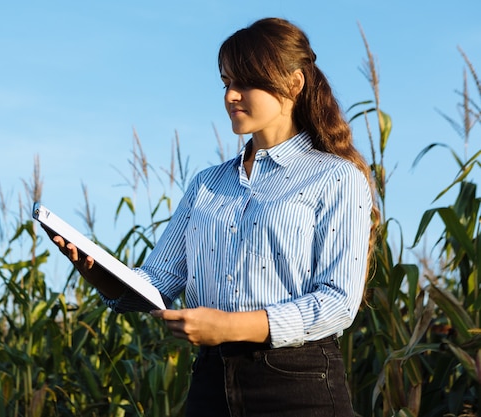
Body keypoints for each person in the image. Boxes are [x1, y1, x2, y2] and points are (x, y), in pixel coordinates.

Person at [46, 17, 377, 417]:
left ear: (293, 83)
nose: (231, 96)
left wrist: (229, 328)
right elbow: (158, 283)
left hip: (300, 386)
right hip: (210, 383)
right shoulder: (206, 184)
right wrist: (96, 270)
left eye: (246, 82)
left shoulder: (336, 176)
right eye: (226, 83)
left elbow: (338, 302)